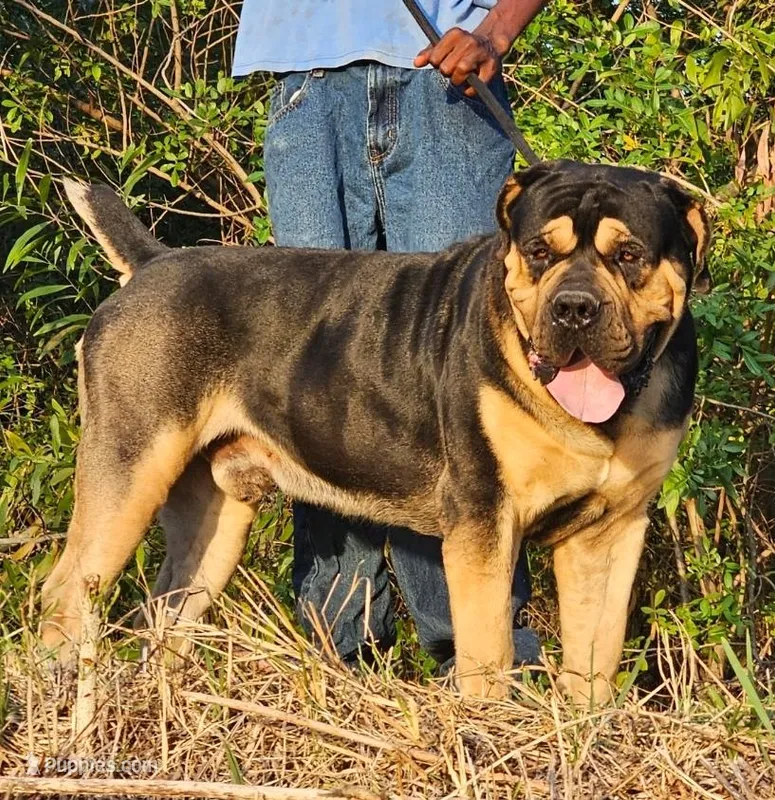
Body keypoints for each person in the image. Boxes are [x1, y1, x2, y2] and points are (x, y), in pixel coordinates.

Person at [232, 0, 545, 671]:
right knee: (313, 382)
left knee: (457, 390)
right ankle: (336, 662)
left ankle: (479, 671)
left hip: (448, 80)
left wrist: (495, 31)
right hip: (306, 83)